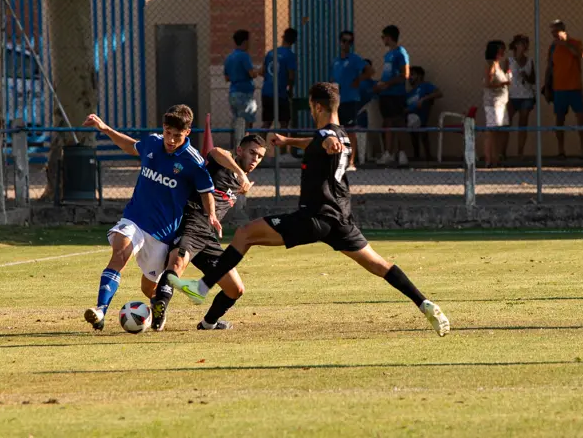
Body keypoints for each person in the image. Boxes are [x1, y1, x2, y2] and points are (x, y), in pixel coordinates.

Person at [168, 82, 451, 337]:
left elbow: (326, 141)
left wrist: (326, 142)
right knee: (380, 265)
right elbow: (321, 141)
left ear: (316, 106)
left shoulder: (329, 136)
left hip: (313, 217)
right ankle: (424, 303)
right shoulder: (345, 135)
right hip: (342, 220)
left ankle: (202, 286)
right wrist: (290, 141)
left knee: (244, 234)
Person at [81, 105, 221, 331]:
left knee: (149, 288)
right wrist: (105, 128)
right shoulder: (153, 143)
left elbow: (207, 191)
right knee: (119, 253)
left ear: (187, 133)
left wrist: (212, 215)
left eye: (177, 135)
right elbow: (130, 145)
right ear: (163, 128)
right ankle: (100, 311)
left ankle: (157, 305)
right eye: (168, 133)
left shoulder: (193, 161)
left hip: (162, 234)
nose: (171, 140)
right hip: (135, 219)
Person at [150, 135, 267, 331]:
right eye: (252, 152)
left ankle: (208, 323)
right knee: (177, 263)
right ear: (239, 151)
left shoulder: (240, 182)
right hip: (191, 221)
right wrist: (239, 172)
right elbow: (215, 152)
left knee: (235, 289)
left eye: (260, 156)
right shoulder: (225, 163)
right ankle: (158, 313)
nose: (255, 159)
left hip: (209, 235)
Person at [543, 20, 583, 159]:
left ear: (562, 30)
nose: (554, 35)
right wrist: (546, 86)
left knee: (581, 117)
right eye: (552, 32)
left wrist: (566, 43)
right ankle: (561, 150)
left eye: (556, 31)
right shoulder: (553, 47)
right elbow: (550, 67)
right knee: (560, 119)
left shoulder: (575, 42)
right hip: (559, 88)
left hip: (575, 87)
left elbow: (580, 55)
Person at [330, 31, 373, 168]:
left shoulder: (355, 59)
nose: (346, 44)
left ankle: (351, 161)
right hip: (338, 100)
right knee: (337, 130)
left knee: (350, 130)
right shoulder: (335, 61)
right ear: (339, 42)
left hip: (350, 99)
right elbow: (332, 79)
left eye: (349, 42)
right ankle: (339, 159)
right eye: (344, 41)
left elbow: (370, 71)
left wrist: (358, 79)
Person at [374, 25, 411, 167]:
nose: (382, 40)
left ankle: (402, 153)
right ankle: (389, 153)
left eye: (383, 37)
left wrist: (387, 84)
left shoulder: (400, 53)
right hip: (386, 94)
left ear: (389, 37)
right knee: (388, 122)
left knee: (399, 122)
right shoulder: (388, 55)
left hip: (396, 94)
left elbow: (404, 75)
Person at [505, 35, 536, 159]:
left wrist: (526, 76)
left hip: (526, 95)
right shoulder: (509, 61)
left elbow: (533, 80)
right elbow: (504, 77)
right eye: (522, 43)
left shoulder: (529, 61)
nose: (524, 46)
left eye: (526, 44)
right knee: (507, 123)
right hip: (512, 96)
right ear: (516, 45)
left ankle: (520, 153)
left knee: (523, 123)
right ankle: (503, 152)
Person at [261, 28, 298, 129]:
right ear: (294, 41)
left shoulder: (271, 53)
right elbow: (291, 76)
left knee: (267, 123)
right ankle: (282, 144)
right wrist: (290, 90)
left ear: (283, 38)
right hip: (280, 92)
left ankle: (259, 143)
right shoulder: (290, 55)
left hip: (267, 91)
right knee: (284, 123)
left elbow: (263, 71)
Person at [405, 66, 442, 162]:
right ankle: (415, 156)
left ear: (420, 76)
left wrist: (424, 99)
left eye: (412, 75)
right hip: (408, 117)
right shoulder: (409, 93)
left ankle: (427, 156)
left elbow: (439, 93)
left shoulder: (425, 86)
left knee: (415, 124)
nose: (410, 78)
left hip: (420, 116)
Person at [483, 40, 511, 168]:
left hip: (502, 102)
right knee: (491, 131)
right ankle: (489, 159)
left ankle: (496, 157)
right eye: (501, 49)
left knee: (499, 131)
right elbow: (487, 84)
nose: (503, 51)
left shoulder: (499, 65)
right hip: (493, 103)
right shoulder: (491, 65)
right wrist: (503, 84)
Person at [224, 30, 260, 126]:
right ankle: (246, 140)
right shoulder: (244, 56)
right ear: (245, 42)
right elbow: (252, 74)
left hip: (233, 93)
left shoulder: (229, 57)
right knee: (248, 122)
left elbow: (227, 78)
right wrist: (257, 71)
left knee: (237, 122)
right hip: (244, 94)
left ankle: (235, 140)